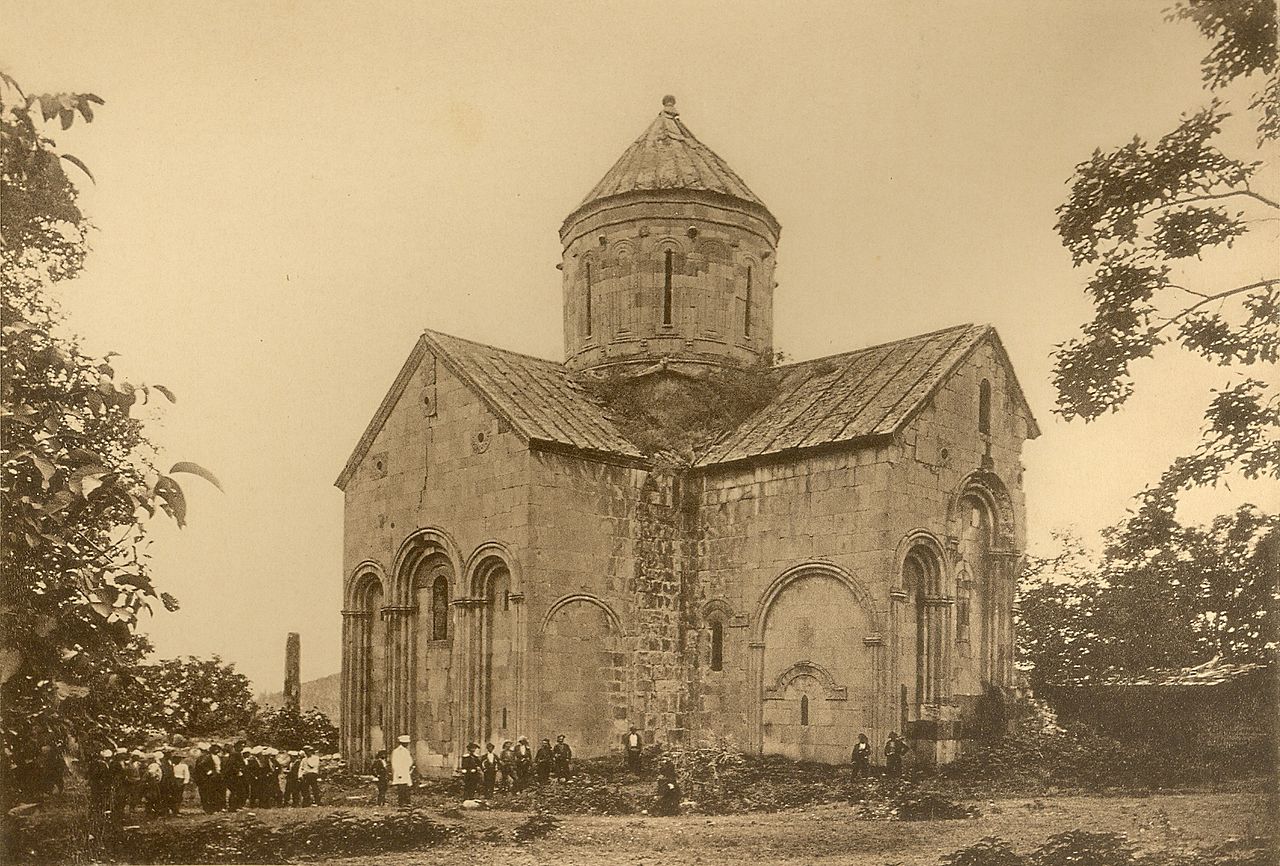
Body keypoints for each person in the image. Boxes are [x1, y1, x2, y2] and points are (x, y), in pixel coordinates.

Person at [193, 743, 224, 813]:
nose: (217, 750)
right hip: (209, 777)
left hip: (217, 776)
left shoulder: (218, 757)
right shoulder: (207, 757)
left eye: (218, 749)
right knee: (209, 793)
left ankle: (217, 808)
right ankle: (209, 809)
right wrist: (209, 771)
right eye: (215, 749)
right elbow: (201, 765)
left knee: (216, 793)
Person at [390, 734, 414, 807]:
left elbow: (409, 761)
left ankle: (407, 802)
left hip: (405, 771)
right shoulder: (397, 751)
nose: (407, 744)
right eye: (406, 743)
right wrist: (399, 773)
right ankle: (402, 802)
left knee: (407, 787)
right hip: (401, 773)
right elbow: (395, 763)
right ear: (402, 743)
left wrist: (410, 767)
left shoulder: (405, 751)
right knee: (401, 788)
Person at [86, 749, 113, 815]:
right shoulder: (102, 765)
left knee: (96, 798)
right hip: (100, 784)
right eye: (107, 758)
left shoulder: (99, 764)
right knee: (99, 798)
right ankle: (97, 812)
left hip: (97, 784)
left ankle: (95, 812)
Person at [224, 742, 248, 812]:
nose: (242, 748)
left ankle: (238, 806)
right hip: (233, 775)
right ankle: (233, 807)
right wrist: (237, 771)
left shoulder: (238, 754)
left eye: (243, 746)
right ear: (237, 746)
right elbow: (231, 765)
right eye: (241, 746)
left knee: (239, 790)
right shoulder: (235, 754)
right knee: (235, 791)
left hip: (237, 774)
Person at [168, 749, 190, 815]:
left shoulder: (184, 766)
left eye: (178, 758)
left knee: (179, 796)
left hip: (180, 781)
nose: (177, 760)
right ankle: (172, 809)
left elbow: (187, 774)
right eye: (175, 758)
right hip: (172, 781)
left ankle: (176, 809)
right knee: (171, 795)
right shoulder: (171, 766)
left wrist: (185, 782)